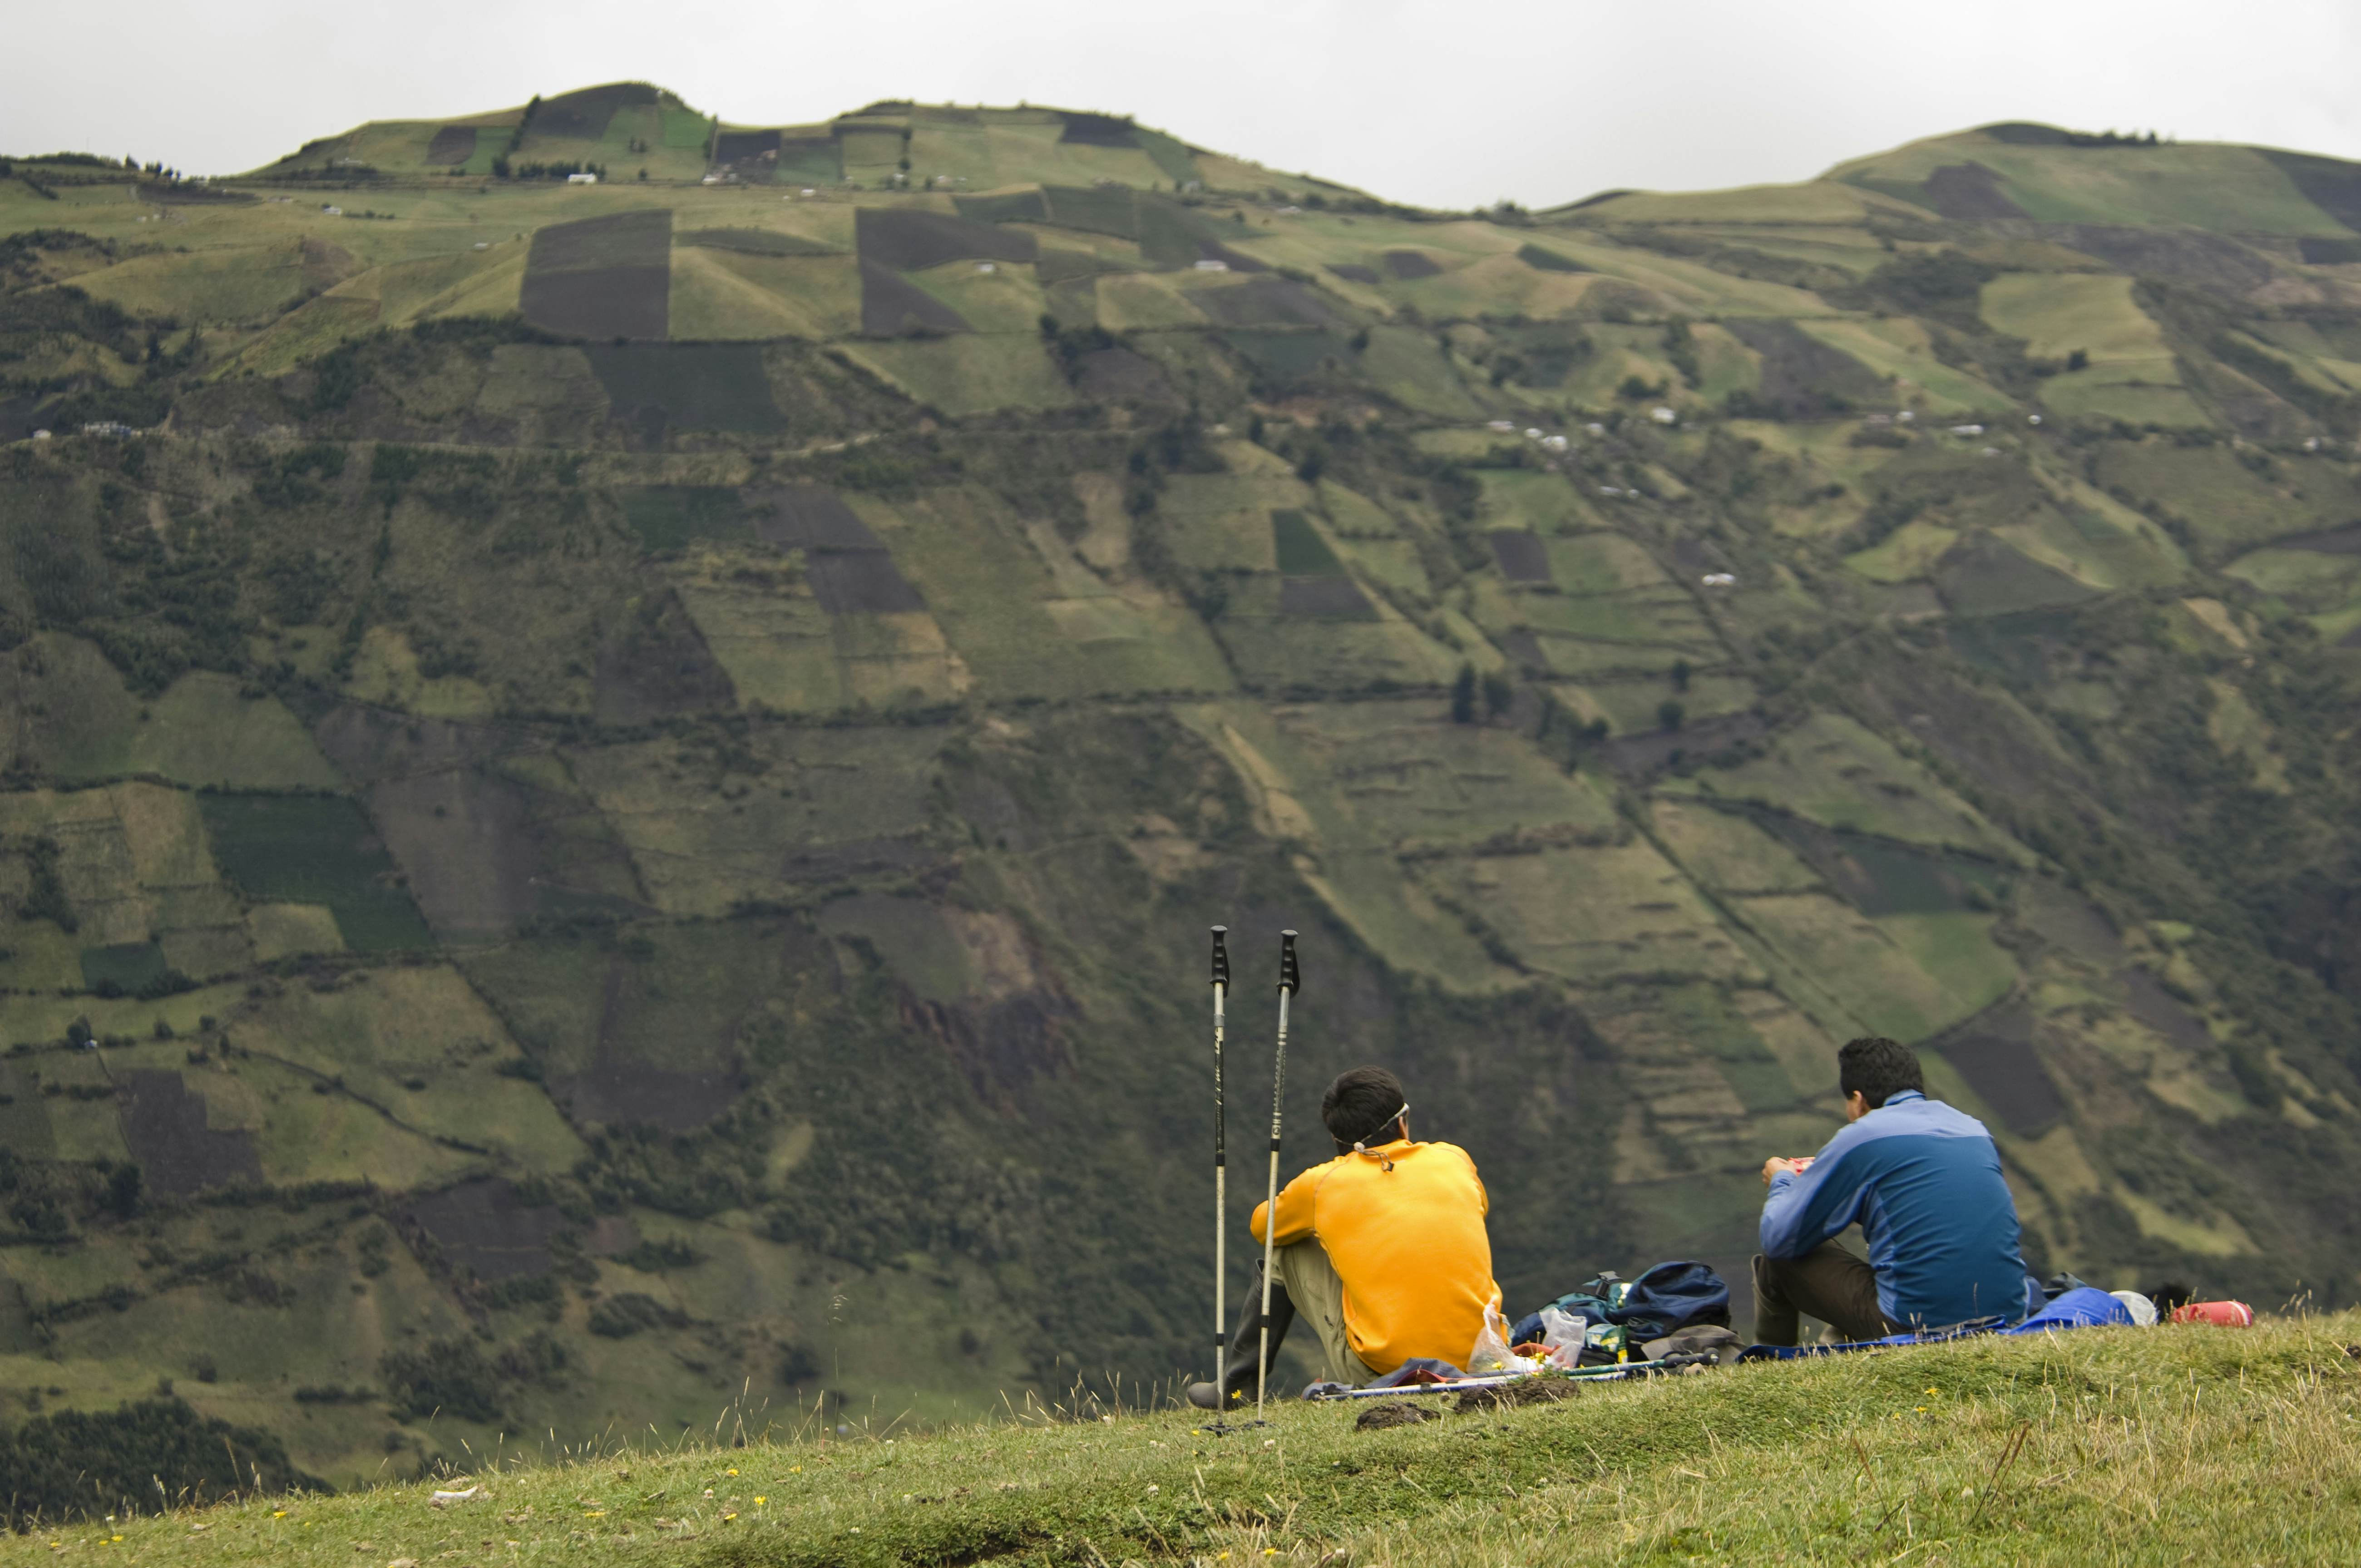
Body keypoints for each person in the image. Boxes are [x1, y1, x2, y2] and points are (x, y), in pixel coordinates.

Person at [1186, 1067, 1501, 1408]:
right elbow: (1477, 1207)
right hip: (1486, 1358)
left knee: (1284, 1251)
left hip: (1385, 1371)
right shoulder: (1454, 1159)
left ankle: (1236, 1388)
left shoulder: (1323, 1185)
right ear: (1403, 1120)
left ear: (1336, 1136)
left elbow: (1263, 1227)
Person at [1754, 1036, 2035, 1346]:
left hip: (1916, 1326)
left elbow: (1780, 1237)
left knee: (1778, 1259)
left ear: (1858, 1100)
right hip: (2009, 1313)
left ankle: (1765, 1361)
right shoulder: (1973, 1129)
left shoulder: (1861, 1136)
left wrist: (1782, 1181)